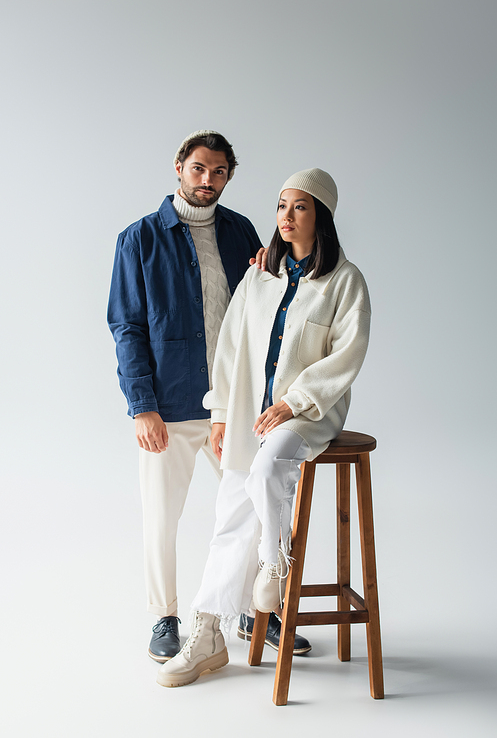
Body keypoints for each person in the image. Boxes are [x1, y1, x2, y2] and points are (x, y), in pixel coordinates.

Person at [156, 167, 371, 688]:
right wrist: (222, 413)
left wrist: (295, 402)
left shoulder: (345, 282)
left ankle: (274, 566)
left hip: (309, 414)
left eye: (300, 206)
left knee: (270, 464)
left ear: (321, 215)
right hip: (251, 409)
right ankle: (207, 633)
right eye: (281, 206)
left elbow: (347, 355)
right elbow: (230, 347)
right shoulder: (260, 275)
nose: (287, 216)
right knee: (230, 509)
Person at [107, 131, 311, 663]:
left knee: (253, 509)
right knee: (161, 516)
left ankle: (250, 612)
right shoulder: (140, 239)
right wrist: (142, 406)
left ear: (228, 177)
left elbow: (268, 306)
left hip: (234, 405)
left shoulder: (242, 231)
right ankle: (165, 618)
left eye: (218, 172)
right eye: (199, 168)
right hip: (169, 405)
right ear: (179, 167)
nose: (207, 179)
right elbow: (127, 326)